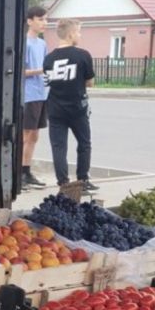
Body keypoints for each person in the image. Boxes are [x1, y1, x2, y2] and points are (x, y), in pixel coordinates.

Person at [43, 19, 97, 190]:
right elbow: (90, 82)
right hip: (77, 108)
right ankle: (82, 179)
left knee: (59, 146)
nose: (80, 35)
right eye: (79, 32)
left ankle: (63, 182)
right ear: (71, 34)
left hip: (55, 108)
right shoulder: (83, 55)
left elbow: (49, 81)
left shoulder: (49, 58)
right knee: (84, 143)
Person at [21, 7, 49, 187]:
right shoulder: (25, 43)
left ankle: (26, 170)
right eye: (40, 19)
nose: (44, 23)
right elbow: (21, 71)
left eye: (46, 19)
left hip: (41, 93)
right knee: (25, 134)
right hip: (28, 94)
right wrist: (41, 70)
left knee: (35, 135)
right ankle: (18, 173)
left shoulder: (42, 44)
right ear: (30, 21)